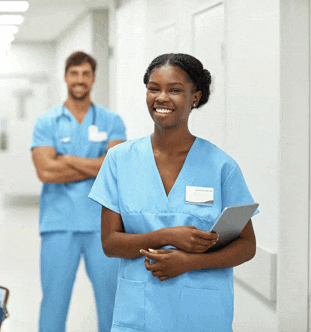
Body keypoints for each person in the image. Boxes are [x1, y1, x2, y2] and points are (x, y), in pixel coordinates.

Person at [88, 53, 258, 332]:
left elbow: (247, 245)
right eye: (153, 88)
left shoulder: (221, 166)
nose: (161, 97)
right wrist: (168, 235)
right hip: (139, 311)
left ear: (195, 97)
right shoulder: (119, 160)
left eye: (175, 90)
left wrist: (190, 262)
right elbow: (110, 243)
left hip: (202, 314)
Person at [31, 51, 127, 332]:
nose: (80, 79)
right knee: (54, 301)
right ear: (65, 77)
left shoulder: (112, 121)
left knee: (111, 300)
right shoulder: (47, 122)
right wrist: (96, 164)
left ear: (94, 78)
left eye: (86, 74)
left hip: (103, 225)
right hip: (58, 225)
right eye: (74, 73)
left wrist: (68, 159)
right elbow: (45, 172)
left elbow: (115, 170)